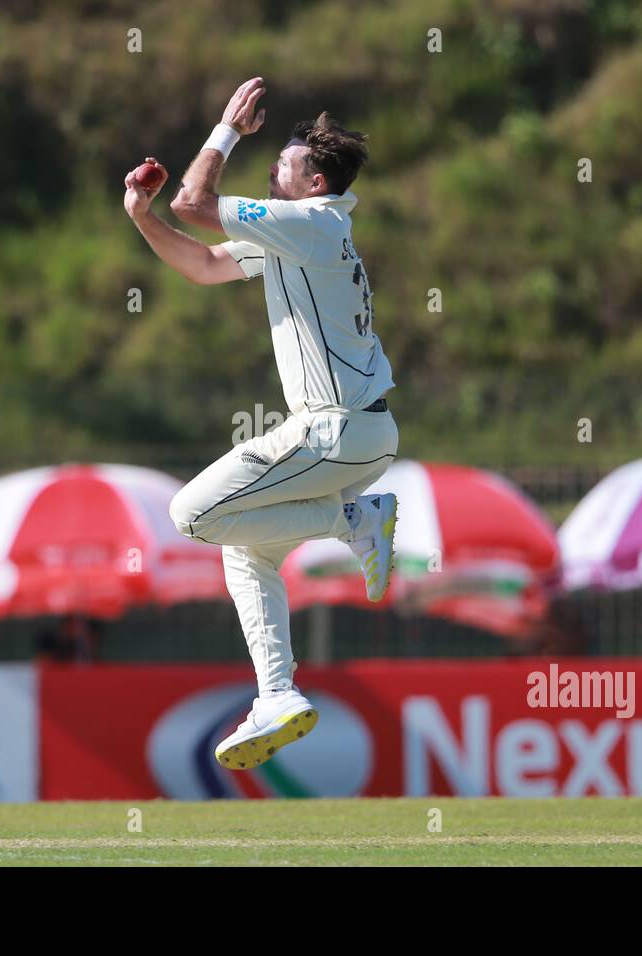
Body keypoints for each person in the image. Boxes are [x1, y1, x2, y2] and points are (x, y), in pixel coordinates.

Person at [123, 78, 398, 770]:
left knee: (194, 514)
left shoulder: (313, 223)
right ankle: (276, 693)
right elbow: (204, 263)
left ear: (315, 182)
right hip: (358, 437)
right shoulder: (298, 230)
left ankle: (353, 523)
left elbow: (197, 204)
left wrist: (224, 130)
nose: (272, 171)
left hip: (333, 430)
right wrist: (141, 217)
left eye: (284, 165)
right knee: (246, 549)